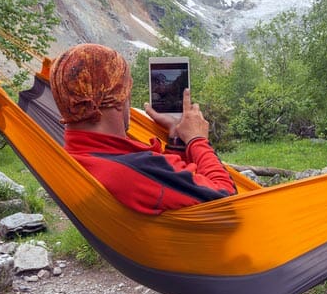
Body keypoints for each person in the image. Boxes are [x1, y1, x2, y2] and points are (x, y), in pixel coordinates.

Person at [49, 43, 236, 214]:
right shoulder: (131, 171)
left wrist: (176, 138)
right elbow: (226, 197)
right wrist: (197, 140)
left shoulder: (73, 160)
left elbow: (171, 185)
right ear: (119, 97)